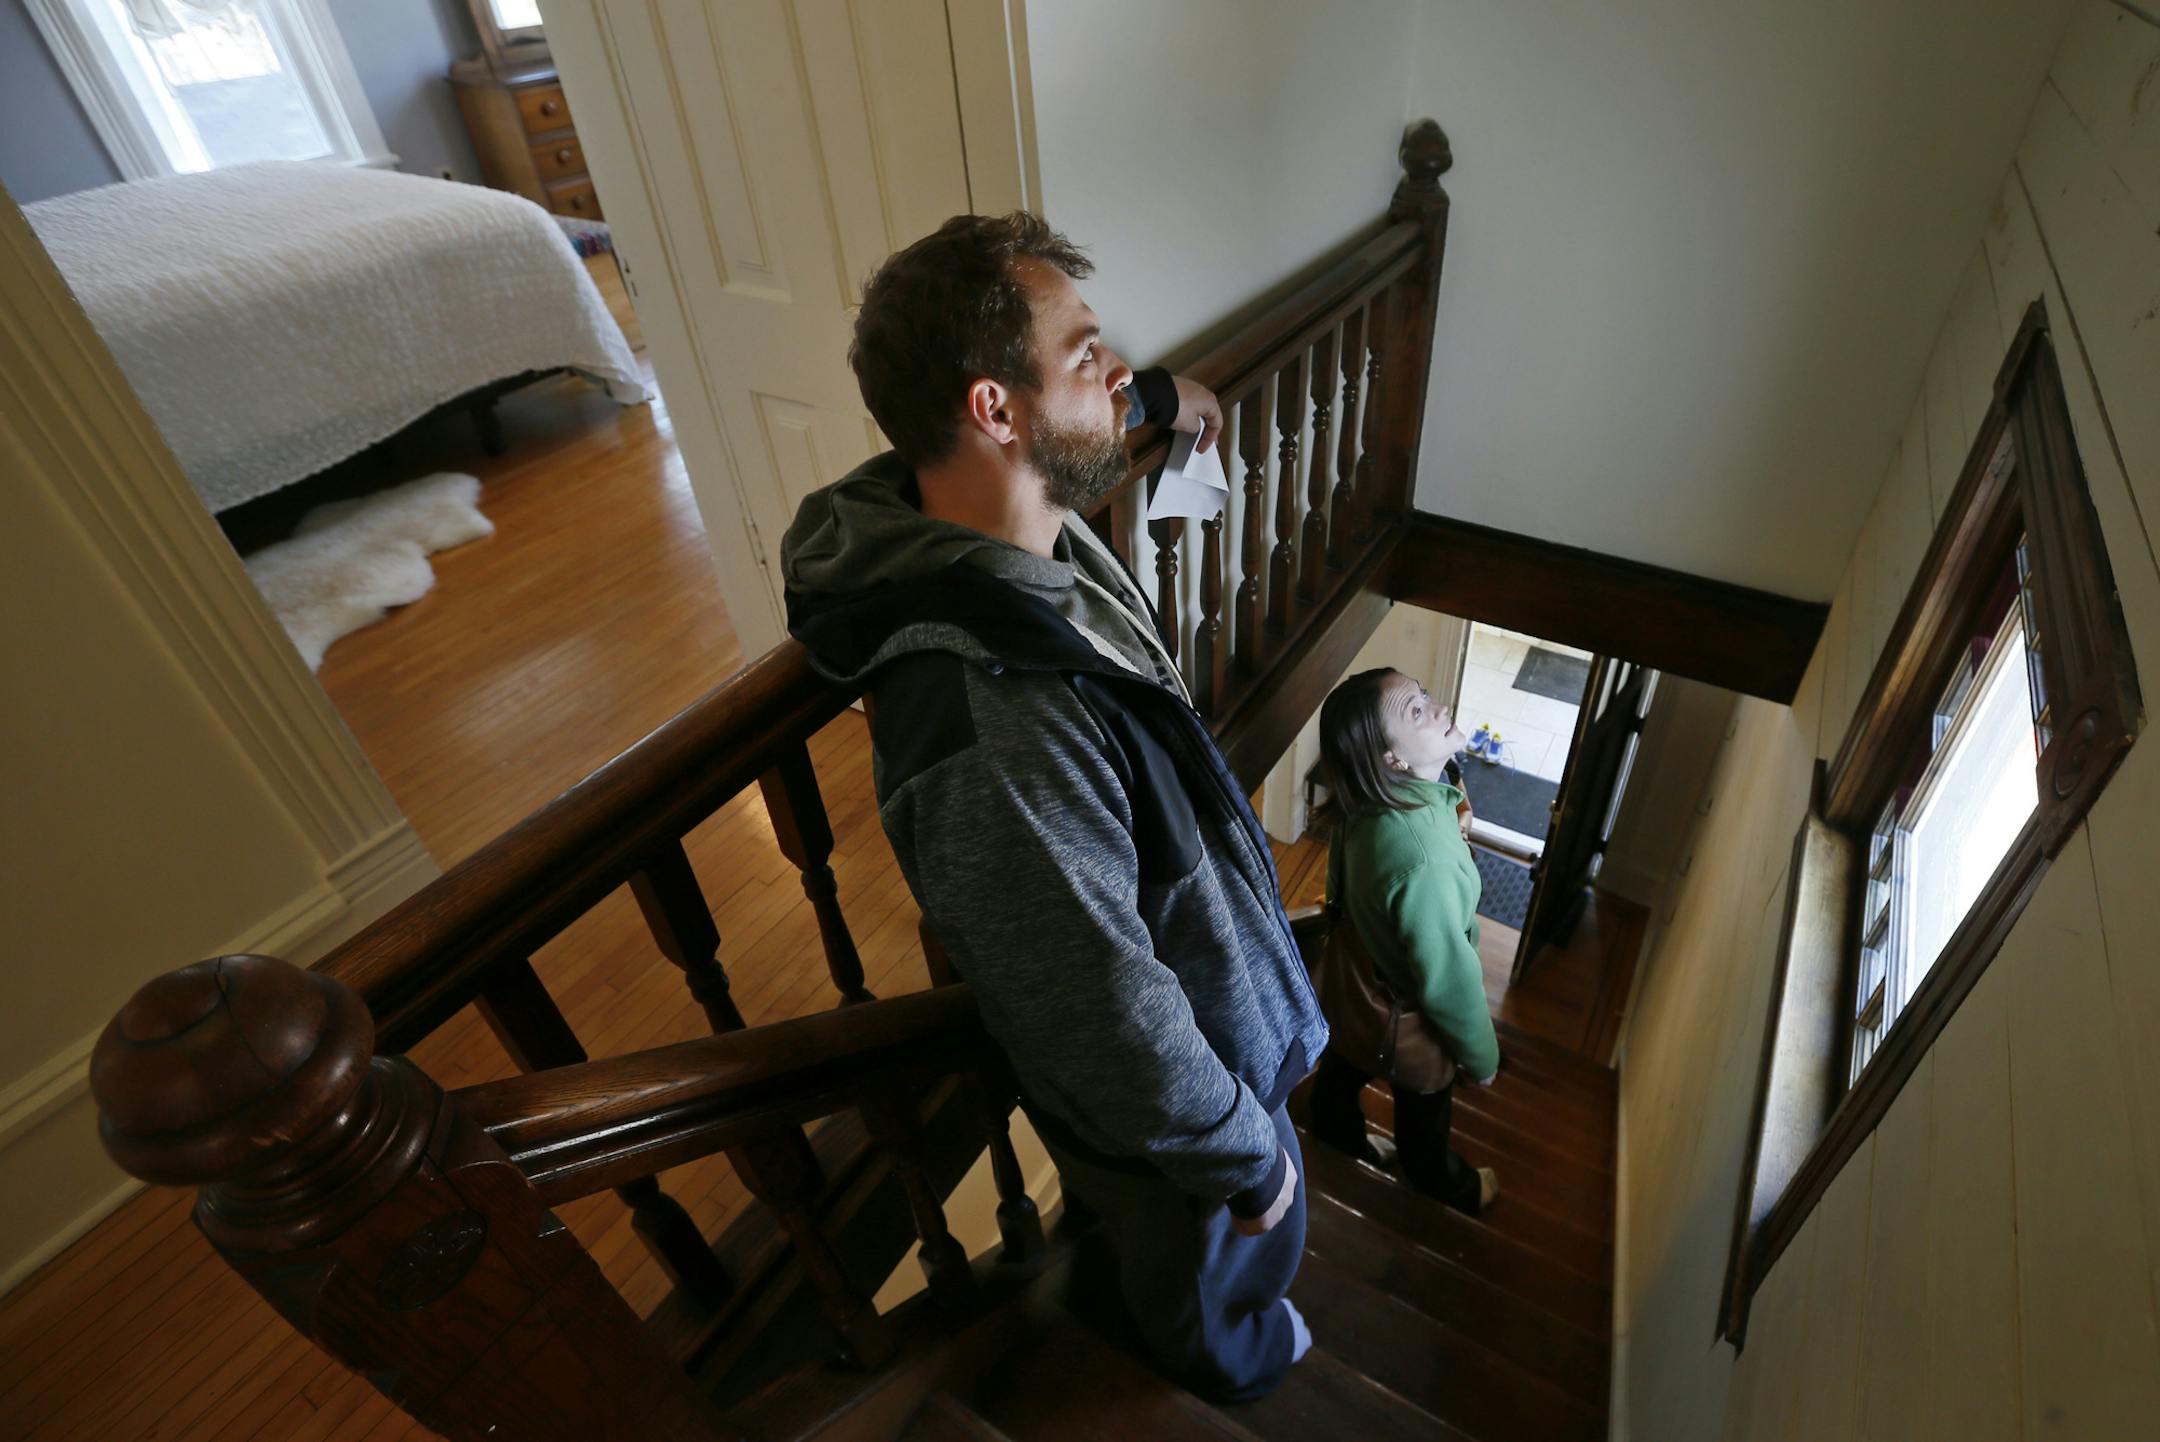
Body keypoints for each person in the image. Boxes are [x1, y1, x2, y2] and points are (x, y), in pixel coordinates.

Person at [779, 213, 1327, 1402]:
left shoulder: (1011, 523)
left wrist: (1161, 396)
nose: (1117, 369)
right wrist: (1248, 1159)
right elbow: (1103, 1008)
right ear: (994, 410)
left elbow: (1104, 413)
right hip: (1186, 1122)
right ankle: (1233, 1361)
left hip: (1210, 1048)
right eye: (1087, 353)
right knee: (1206, 1282)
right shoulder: (990, 718)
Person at [1306, 668, 1502, 1215]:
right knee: (1425, 1116)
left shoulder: (1371, 799)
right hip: (1407, 1013)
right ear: (1392, 758)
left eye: (1423, 695)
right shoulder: (1426, 862)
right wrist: (1482, 1059)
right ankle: (1446, 1186)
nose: (1438, 707)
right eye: (1416, 711)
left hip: (1356, 979)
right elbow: (1449, 981)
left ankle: (1334, 1134)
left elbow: (1341, 880)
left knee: (1344, 1065)